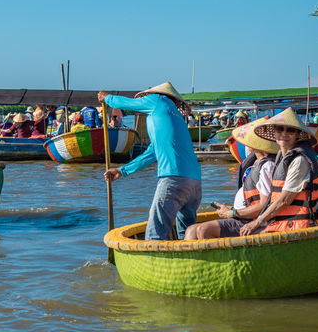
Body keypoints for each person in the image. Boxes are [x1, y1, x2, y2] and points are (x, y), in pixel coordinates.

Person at [98, 81, 202, 241]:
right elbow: (152, 152)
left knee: (155, 235)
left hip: (173, 178)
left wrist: (107, 98)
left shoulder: (158, 100)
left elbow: (125, 103)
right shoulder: (175, 117)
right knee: (187, 235)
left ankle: (153, 264)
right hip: (194, 182)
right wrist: (122, 170)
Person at [240, 108, 318, 236]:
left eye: (290, 130)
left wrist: (257, 222)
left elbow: (284, 200)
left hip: (304, 225)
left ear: (298, 135)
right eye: (280, 129)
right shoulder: (280, 157)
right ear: (275, 134)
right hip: (283, 222)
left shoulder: (299, 160)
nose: (284, 133)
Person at [185, 117, 278, 239]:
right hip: (242, 216)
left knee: (203, 229)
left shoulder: (267, 166)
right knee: (191, 230)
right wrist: (230, 209)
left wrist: (233, 213)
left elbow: (264, 204)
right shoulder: (255, 162)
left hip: (252, 221)